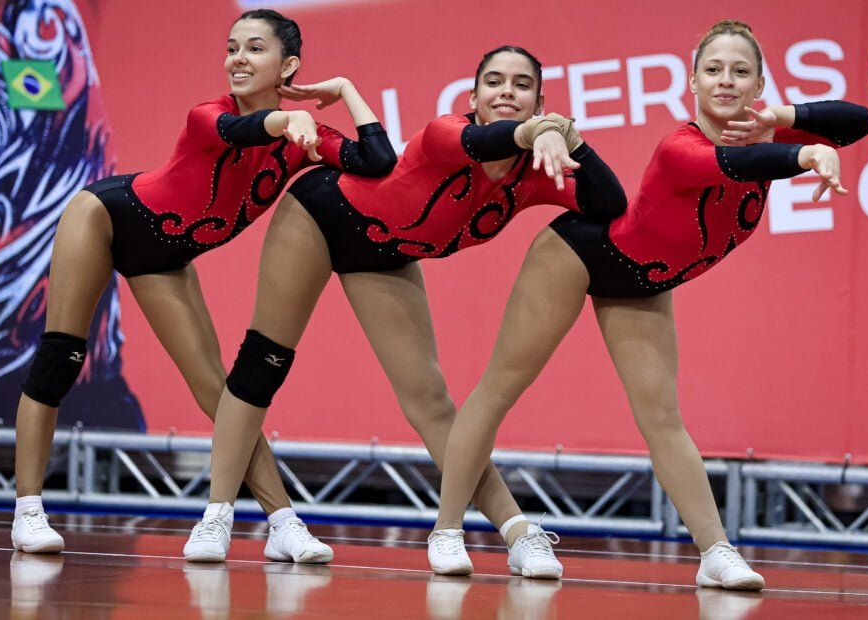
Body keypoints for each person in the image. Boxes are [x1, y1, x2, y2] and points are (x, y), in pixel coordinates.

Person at [431, 19, 868, 587]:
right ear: (693, 80)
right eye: (713, 69)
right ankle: (447, 530)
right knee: (500, 387)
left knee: (663, 417)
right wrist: (804, 153)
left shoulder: (771, 135)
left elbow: (860, 121)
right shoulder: (680, 148)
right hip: (579, 254)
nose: (726, 81)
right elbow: (734, 165)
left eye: (740, 72)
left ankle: (716, 554)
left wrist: (785, 120)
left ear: (760, 85)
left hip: (643, 282)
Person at [183, 46, 626, 580]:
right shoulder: (447, 133)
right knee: (263, 363)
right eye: (493, 81)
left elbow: (610, 204)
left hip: (385, 253)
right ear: (473, 97)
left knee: (430, 400)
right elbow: (485, 141)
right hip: (324, 213)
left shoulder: (535, 172)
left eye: (521, 84)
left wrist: (570, 138)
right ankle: (218, 516)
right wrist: (541, 130)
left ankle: (518, 533)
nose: (506, 91)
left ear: (539, 100)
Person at [11, 9, 395, 564]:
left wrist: (346, 91)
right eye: (232, 47)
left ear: (288, 65)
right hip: (105, 217)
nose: (238, 58)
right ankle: (27, 511)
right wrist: (287, 120)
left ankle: (283, 524)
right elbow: (238, 132)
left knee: (223, 396)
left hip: (166, 257)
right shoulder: (209, 114)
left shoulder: (302, 137)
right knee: (60, 360)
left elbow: (377, 162)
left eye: (255, 48)